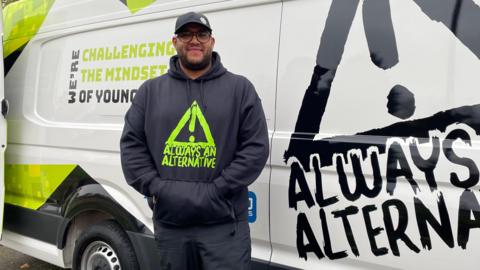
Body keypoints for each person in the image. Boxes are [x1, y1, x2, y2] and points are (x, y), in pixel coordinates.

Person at [120, 11, 269, 270]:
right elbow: (132, 147)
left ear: (212, 41)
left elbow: (255, 149)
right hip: (171, 227)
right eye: (186, 34)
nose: (194, 40)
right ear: (174, 41)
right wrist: (158, 188)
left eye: (201, 34)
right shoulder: (150, 91)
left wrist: (217, 190)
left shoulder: (239, 89)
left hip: (225, 227)